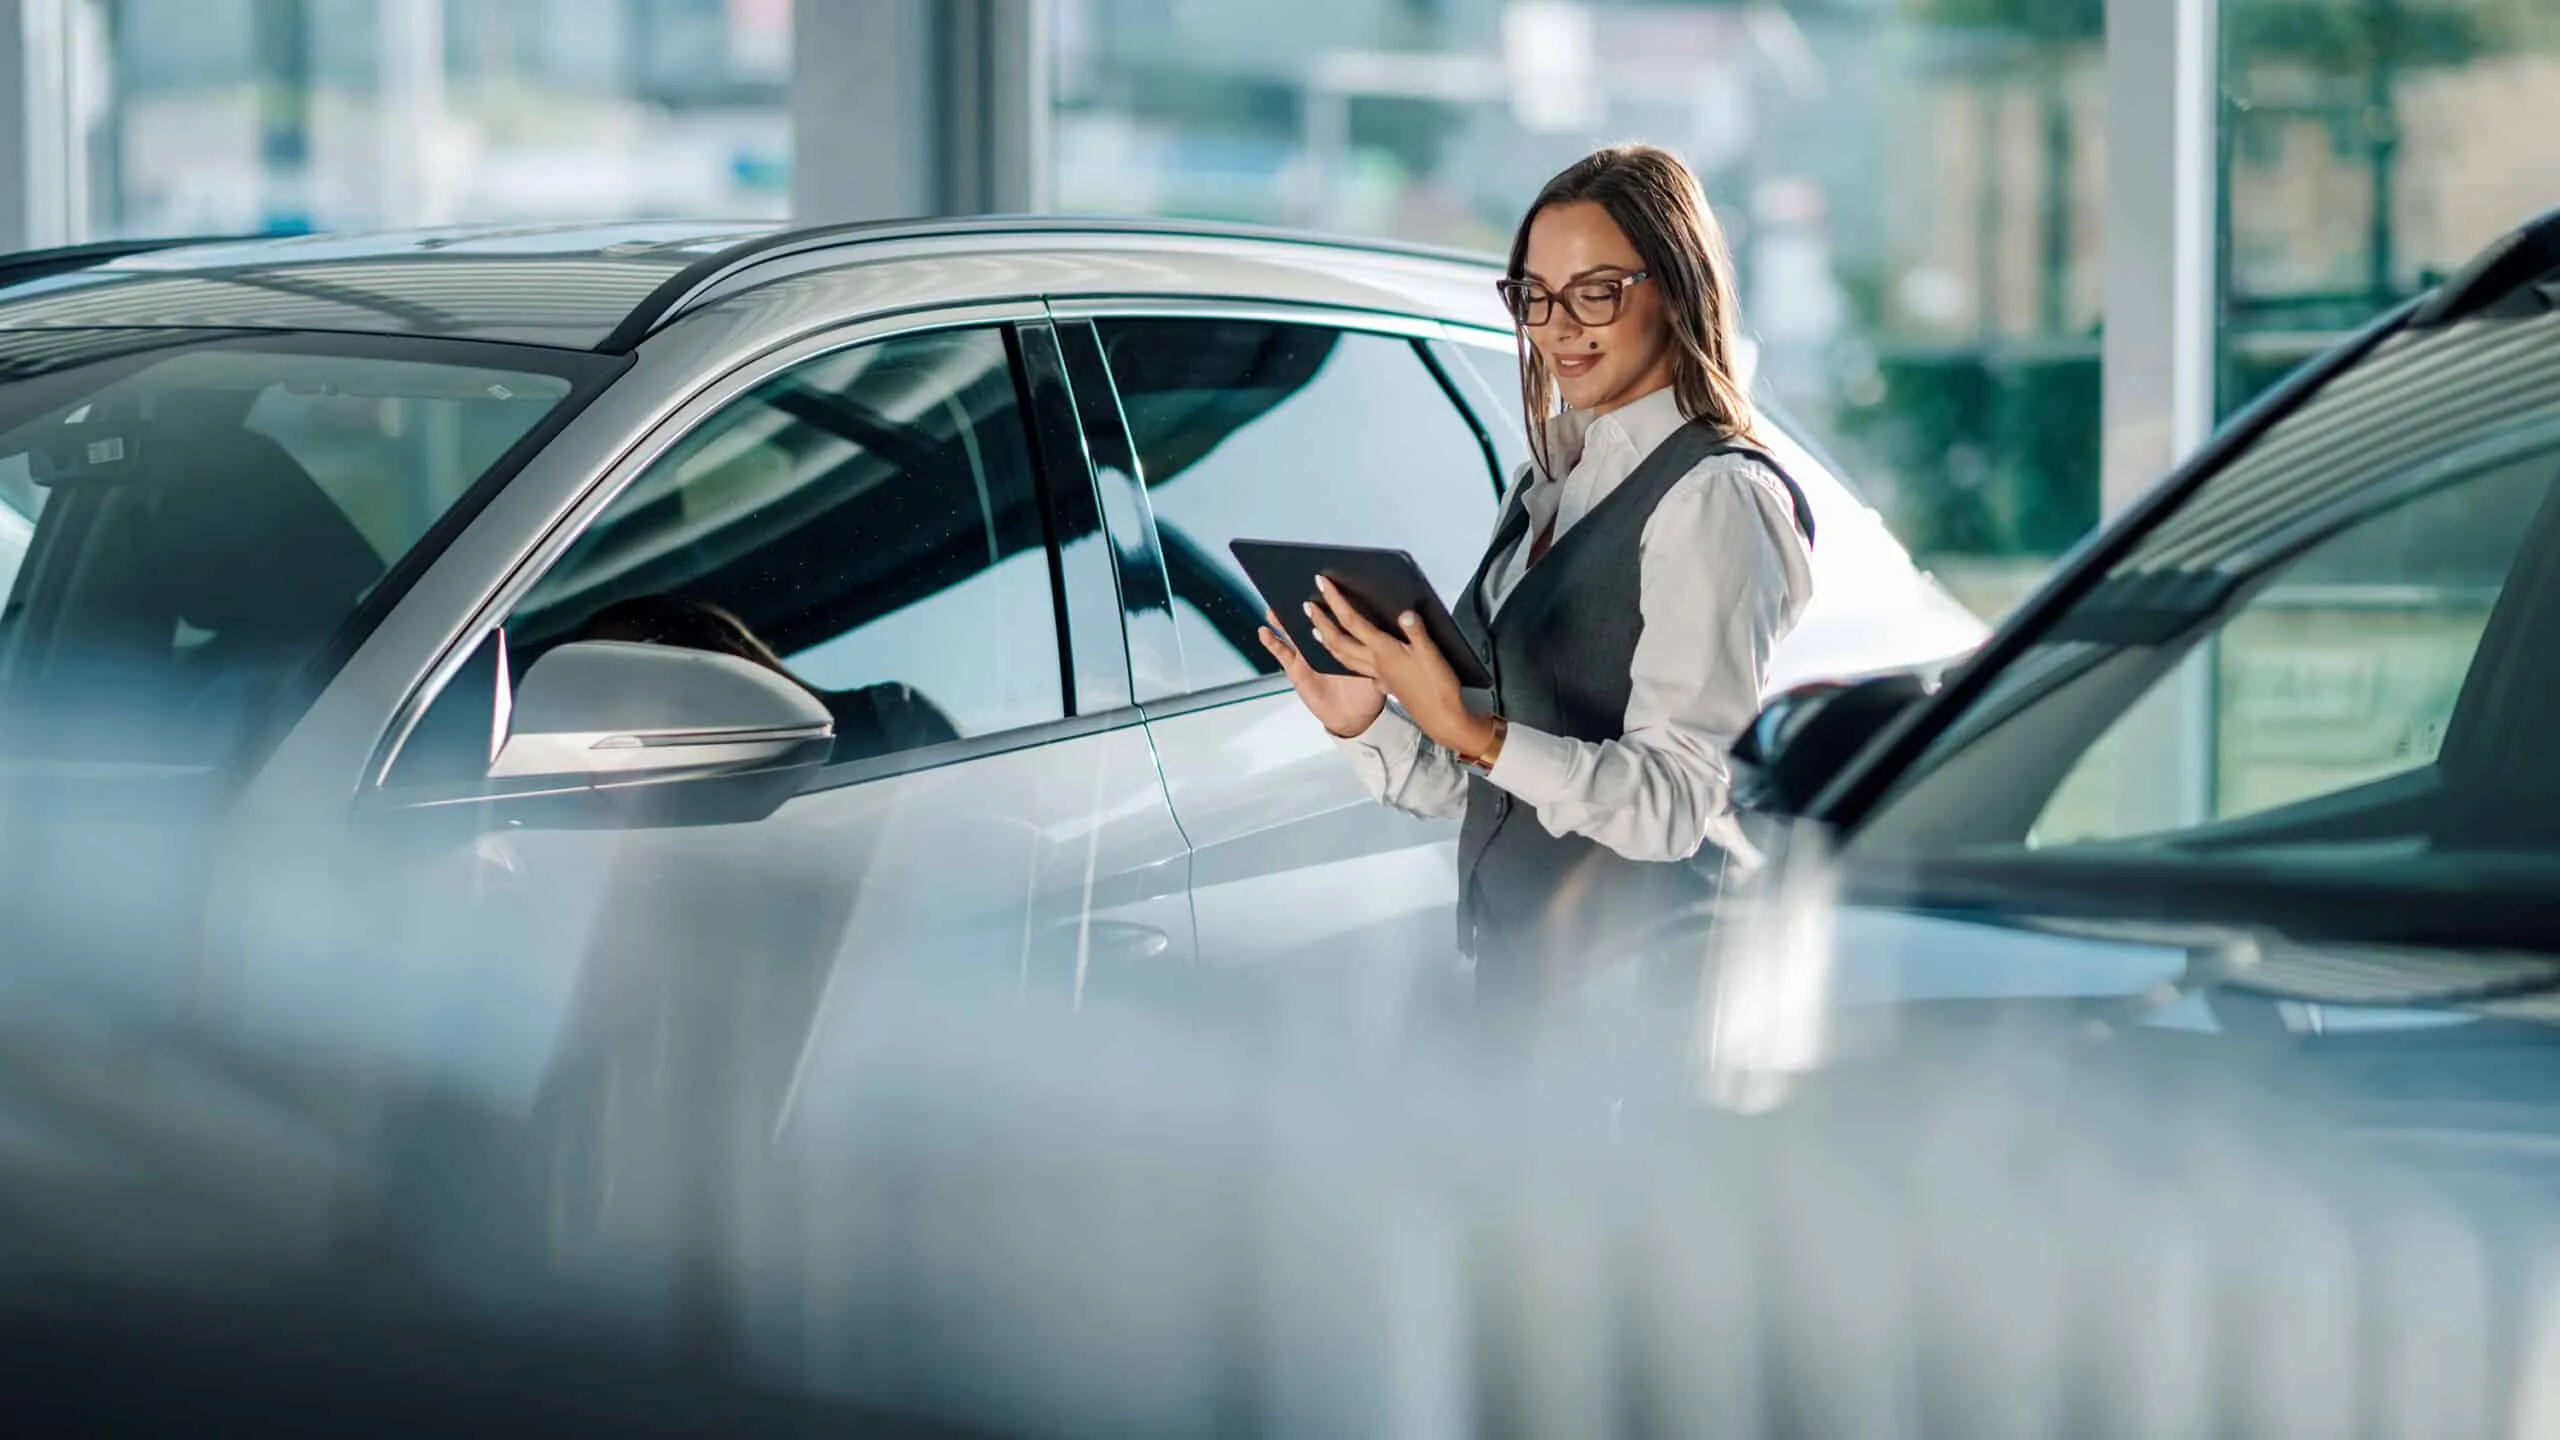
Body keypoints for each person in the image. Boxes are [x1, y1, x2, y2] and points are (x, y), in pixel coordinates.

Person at [1258, 144, 1815, 1041]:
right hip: (1530, 986)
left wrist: (1475, 731)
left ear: (1673, 286)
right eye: (1536, 296)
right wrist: (1369, 720)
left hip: (1645, 1005)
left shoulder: (1713, 495)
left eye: (1596, 291)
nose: (1560, 327)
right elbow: (1495, 791)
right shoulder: (1551, 477)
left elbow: (1675, 804)